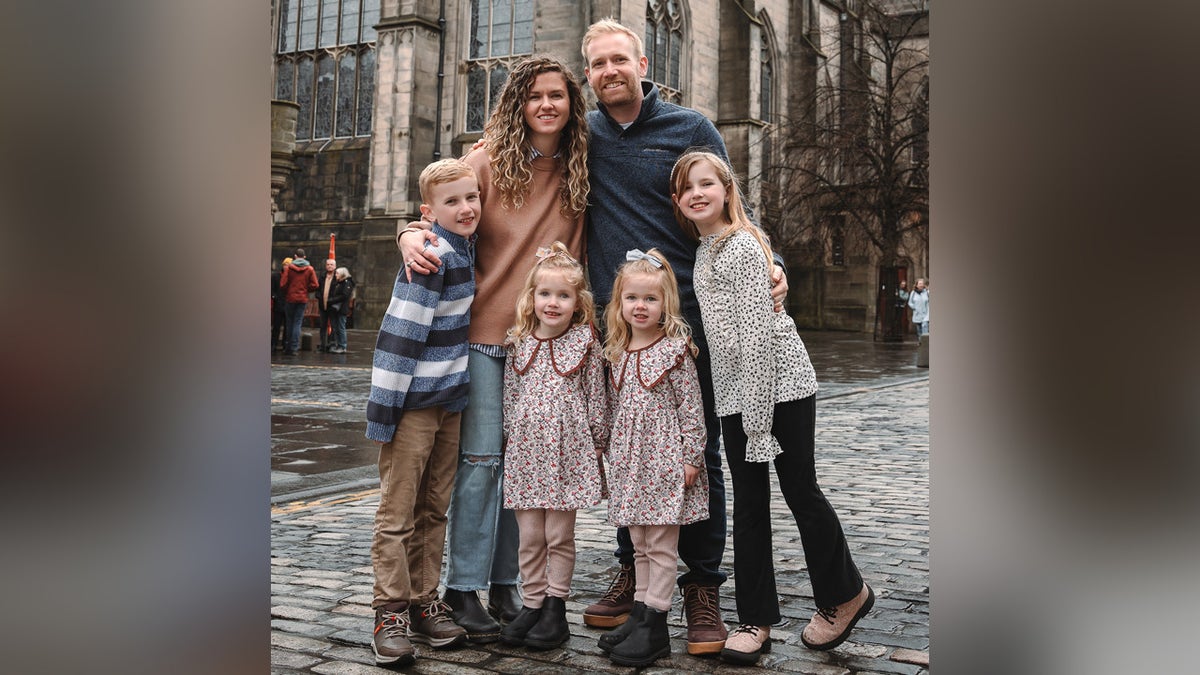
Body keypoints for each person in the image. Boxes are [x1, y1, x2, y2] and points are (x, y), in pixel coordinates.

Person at [577, 18, 787, 654]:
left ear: (643, 63)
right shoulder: (581, 135)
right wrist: (413, 229)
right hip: (620, 324)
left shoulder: (689, 128)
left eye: (620, 60)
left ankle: (701, 586)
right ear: (587, 73)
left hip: (695, 318)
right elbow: (495, 157)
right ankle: (637, 571)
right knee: (633, 448)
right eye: (597, 64)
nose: (610, 71)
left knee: (700, 457)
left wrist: (769, 262)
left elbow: (729, 204)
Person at [396, 55, 591, 643]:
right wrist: (408, 232)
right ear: (518, 103)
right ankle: (464, 586)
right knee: (482, 463)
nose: (546, 105)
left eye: (556, 95)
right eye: (535, 96)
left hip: (543, 343)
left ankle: (511, 585)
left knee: (527, 469)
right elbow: (437, 206)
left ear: (570, 103)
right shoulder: (486, 159)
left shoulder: (586, 161)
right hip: (484, 337)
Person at [670, 151, 874, 663]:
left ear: (727, 190)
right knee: (750, 503)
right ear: (678, 201)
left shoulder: (740, 247)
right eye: (686, 188)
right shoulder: (706, 250)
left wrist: (758, 425)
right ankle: (755, 620)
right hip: (739, 394)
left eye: (706, 184)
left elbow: (758, 340)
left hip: (780, 390)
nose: (697, 193)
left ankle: (845, 594)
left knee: (799, 489)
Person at [363, 158, 481, 668]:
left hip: (450, 401)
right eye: (452, 201)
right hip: (411, 405)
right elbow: (399, 337)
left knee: (434, 509)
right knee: (398, 511)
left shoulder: (464, 248)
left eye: (471, 197)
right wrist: (383, 413)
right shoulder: (431, 255)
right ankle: (389, 609)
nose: (466, 207)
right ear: (427, 212)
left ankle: (423, 600)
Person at [596, 248, 708, 668]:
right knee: (639, 542)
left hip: (664, 463)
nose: (640, 307)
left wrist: (692, 458)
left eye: (650, 299)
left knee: (660, 545)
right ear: (619, 302)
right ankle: (641, 612)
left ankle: (656, 622)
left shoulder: (674, 350)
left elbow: (691, 409)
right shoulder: (619, 350)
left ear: (666, 304)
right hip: (631, 463)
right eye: (632, 299)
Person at [496, 243, 609, 651]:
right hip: (526, 453)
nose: (553, 303)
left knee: (558, 536)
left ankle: (555, 606)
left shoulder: (584, 343)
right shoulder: (521, 342)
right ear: (532, 297)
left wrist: (599, 444)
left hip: (568, 454)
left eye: (563, 295)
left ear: (578, 302)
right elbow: (511, 393)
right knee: (529, 536)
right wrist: (510, 436)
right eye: (545, 294)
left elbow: (597, 397)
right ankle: (531, 602)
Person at [279, 249, 318, 356]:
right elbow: (315, 285)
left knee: (289, 323)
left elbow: (283, 284)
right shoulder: (310, 269)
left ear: (295, 256)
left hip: (290, 298)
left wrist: (289, 290)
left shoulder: (288, 268)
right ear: (304, 257)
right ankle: (295, 347)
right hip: (302, 298)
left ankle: (288, 347)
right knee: (297, 323)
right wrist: (306, 289)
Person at [326, 267, 355, 353]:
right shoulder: (339, 283)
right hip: (336, 309)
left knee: (341, 327)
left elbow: (344, 296)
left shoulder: (347, 283)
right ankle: (338, 344)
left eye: (337, 273)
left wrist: (332, 300)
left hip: (342, 309)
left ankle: (342, 346)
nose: (335, 275)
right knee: (336, 327)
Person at [316, 257, 338, 352]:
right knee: (322, 326)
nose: (329, 266)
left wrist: (332, 300)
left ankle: (332, 344)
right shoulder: (322, 276)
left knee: (333, 326)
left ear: (335, 266)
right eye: (328, 264)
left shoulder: (337, 277)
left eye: (331, 264)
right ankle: (323, 344)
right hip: (322, 305)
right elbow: (318, 288)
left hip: (332, 306)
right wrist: (319, 296)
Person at [271, 258, 291, 351]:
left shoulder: (292, 277)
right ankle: (273, 344)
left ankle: (285, 344)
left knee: (287, 326)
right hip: (278, 303)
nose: (286, 266)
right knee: (276, 326)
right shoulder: (275, 276)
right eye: (285, 265)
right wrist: (274, 297)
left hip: (288, 304)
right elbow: (272, 289)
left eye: (288, 265)